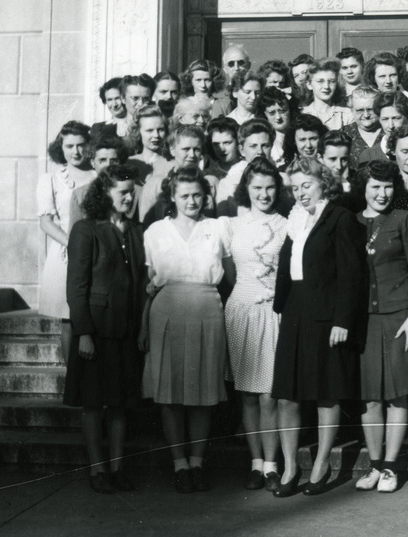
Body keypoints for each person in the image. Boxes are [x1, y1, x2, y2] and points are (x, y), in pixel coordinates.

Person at [271, 157, 364, 497]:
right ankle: (291, 467)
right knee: (287, 395)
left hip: (326, 316)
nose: (300, 193)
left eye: (306, 185)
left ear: (324, 182)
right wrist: (280, 306)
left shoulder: (340, 218)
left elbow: (351, 274)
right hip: (294, 311)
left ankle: (322, 463)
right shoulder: (295, 219)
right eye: (294, 188)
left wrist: (342, 320)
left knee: (326, 392)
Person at [141, 165, 231, 493]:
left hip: (208, 309)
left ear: (205, 196)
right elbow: (147, 285)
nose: (192, 201)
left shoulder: (218, 227)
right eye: (184, 195)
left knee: (203, 392)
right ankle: (179, 464)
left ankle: (197, 462)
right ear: (172, 197)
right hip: (166, 311)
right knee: (170, 392)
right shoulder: (154, 232)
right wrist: (142, 324)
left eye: (197, 195)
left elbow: (230, 275)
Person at [64, 163, 146, 494]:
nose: (129, 198)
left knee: (120, 404)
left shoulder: (137, 231)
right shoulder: (87, 229)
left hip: (125, 330)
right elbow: (76, 286)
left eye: (131, 191)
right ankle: (97, 470)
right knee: (93, 404)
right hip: (95, 333)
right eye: (122, 192)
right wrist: (83, 332)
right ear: (105, 193)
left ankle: (117, 468)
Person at [353, 160, 408, 493]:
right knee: (370, 397)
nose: (382, 194)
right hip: (364, 320)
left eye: (387, 187)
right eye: (375, 187)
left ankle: (392, 468)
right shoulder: (351, 223)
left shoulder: (403, 219)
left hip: (398, 316)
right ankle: (375, 464)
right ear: (363, 189)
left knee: (397, 395)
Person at [223, 157, 288, 492]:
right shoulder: (232, 224)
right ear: (246, 189)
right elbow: (230, 272)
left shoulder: (287, 224)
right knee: (247, 395)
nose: (264, 194)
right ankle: (255, 463)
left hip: (275, 312)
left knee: (269, 396)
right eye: (257, 187)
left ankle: (273, 466)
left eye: (270, 187)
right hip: (242, 310)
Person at [38, 121, 96, 360]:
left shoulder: (97, 175)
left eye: (81, 145)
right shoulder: (51, 179)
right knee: (68, 318)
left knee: (93, 313)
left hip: (96, 249)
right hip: (65, 252)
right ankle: (72, 379)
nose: (76, 151)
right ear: (60, 147)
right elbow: (46, 221)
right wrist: (73, 243)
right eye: (69, 146)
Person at [143, 124, 219, 227]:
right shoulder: (156, 184)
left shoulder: (211, 183)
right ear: (172, 150)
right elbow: (145, 225)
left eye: (196, 149)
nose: (192, 155)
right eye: (186, 149)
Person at [216, 118, 277, 217]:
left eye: (265, 145)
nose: (260, 151)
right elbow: (223, 225)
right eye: (253, 146)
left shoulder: (284, 181)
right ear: (242, 150)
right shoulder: (227, 185)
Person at [69, 136, 132, 228]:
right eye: (102, 160)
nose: (108, 165)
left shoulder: (133, 192)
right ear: (92, 163)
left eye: (114, 161)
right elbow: (74, 234)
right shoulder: (79, 194)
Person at [127, 105, 173, 221]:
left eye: (160, 130)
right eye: (149, 130)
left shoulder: (173, 164)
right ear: (138, 132)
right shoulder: (128, 163)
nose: (156, 136)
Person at [363, 52, 408, 129]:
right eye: (382, 76)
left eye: (393, 75)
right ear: (374, 79)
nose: (388, 81)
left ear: (399, 75)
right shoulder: (365, 104)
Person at [357, 91, 408, 165]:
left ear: (407, 117)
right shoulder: (368, 156)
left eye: (396, 118)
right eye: (385, 119)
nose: (391, 126)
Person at [302, 59, 353, 130]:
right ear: (309, 84)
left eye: (331, 81)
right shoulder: (302, 114)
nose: (326, 86)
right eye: (320, 81)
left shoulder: (346, 115)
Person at [342, 85, 381, 170]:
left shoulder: (389, 131)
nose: (366, 115)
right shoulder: (343, 134)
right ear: (352, 111)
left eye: (370, 109)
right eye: (360, 110)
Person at [259, 87, 295, 167]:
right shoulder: (265, 141)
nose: (278, 117)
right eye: (272, 113)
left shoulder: (298, 135)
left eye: (282, 111)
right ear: (265, 114)